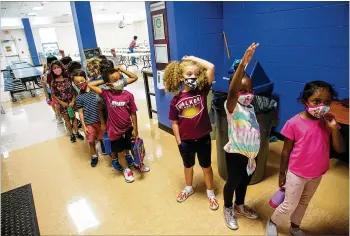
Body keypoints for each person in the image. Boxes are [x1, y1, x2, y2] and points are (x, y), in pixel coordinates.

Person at [266, 81, 345, 236]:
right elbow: (285, 152)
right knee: (289, 204)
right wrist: (282, 174)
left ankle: (294, 227)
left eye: (327, 102)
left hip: (317, 173)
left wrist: (334, 128)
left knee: (304, 203)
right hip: (296, 173)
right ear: (305, 101)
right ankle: (273, 222)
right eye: (316, 101)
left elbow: (340, 149)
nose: (322, 106)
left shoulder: (329, 122)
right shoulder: (294, 123)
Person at [164, 55, 218, 210]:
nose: (193, 77)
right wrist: (179, 142)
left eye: (196, 74)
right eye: (188, 74)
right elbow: (174, 123)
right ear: (181, 77)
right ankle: (189, 188)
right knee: (188, 166)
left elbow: (211, 67)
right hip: (186, 141)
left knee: (206, 166)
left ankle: (211, 193)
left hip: (203, 139)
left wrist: (193, 58)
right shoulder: (176, 100)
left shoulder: (202, 91)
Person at [88, 65, 150, 183]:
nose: (119, 81)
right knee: (120, 152)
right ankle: (126, 169)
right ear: (108, 84)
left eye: (120, 78)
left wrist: (135, 128)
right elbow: (90, 85)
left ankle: (138, 163)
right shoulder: (106, 94)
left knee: (133, 148)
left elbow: (133, 113)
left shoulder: (128, 95)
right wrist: (106, 80)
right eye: (115, 80)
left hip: (128, 128)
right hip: (115, 131)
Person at [222, 43, 260, 230]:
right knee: (233, 181)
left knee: (245, 181)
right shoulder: (232, 107)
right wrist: (243, 65)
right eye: (242, 91)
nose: (248, 95)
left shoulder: (250, 107)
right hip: (236, 154)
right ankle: (228, 207)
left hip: (251, 155)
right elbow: (232, 92)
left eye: (250, 90)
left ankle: (239, 205)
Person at [73, 69, 106, 167]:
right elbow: (80, 112)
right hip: (88, 123)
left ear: (86, 79)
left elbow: (104, 80)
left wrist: (103, 122)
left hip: (99, 121)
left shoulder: (95, 91)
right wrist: (83, 126)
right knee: (91, 141)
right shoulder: (79, 98)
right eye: (77, 82)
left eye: (82, 81)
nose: (80, 84)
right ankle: (94, 156)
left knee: (102, 138)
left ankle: (104, 148)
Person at [50, 60, 84, 143]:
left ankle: (77, 133)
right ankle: (71, 134)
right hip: (63, 104)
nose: (57, 69)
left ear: (61, 67)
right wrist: (61, 103)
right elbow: (53, 95)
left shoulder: (68, 78)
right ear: (52, 70)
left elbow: (73, 91)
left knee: (74, 118)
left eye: (58, 67)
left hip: (71, 102)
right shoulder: (53, 82)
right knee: (67, 119)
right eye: (54, 68)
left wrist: (73, 101)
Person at [41, 56, 62, 123]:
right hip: (50, 92)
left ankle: (59, 114)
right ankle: (57, 115)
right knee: (54, 105)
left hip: (59, 91)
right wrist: (47, 97)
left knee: (58, 105)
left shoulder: (59, 72)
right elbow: (44, 86)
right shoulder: (45, 75)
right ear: (49, 64)